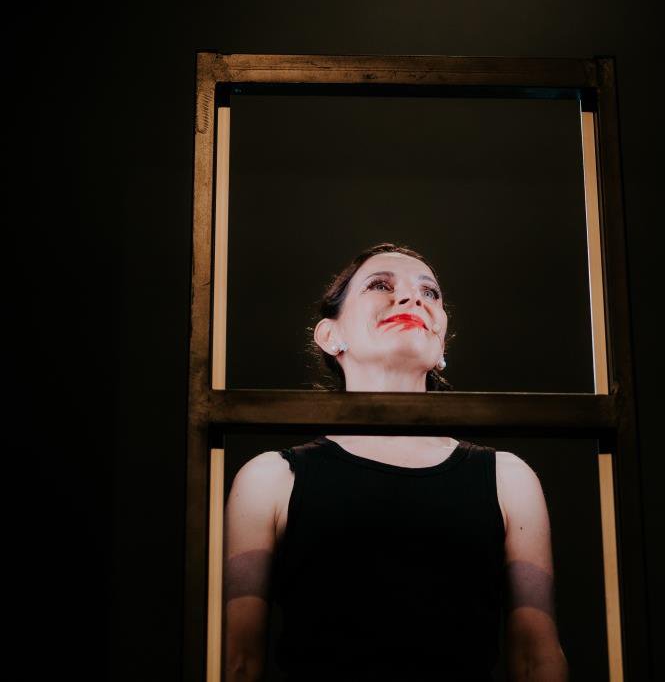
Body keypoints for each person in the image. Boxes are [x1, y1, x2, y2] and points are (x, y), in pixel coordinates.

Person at [223, 243, 569, 681]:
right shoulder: (270, 479)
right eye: (380, 285)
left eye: (430, 292)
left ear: (440, 343)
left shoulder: (509, 480)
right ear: (330, 336)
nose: (411, 298)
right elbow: (237, 661)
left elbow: (537, 658)